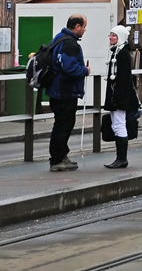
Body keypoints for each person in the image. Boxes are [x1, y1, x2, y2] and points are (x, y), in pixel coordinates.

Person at [47, 14, 90, 170]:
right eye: (84, 26)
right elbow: (69, 68)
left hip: (56, 90)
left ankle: (61, 156)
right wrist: (85, 70)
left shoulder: (58, 38)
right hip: (65, 92)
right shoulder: (71, 44)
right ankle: (57, 159)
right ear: (77, 27)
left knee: (61, 124)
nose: (85, 30)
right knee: (63, 126)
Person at [104, 25, 138, 169]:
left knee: (119, 125)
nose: (111, 38)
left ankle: (122, 158)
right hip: (117, 95)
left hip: (119, 97)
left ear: (121, 37)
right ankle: (120, 158)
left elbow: (123, 78)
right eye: (110, 35)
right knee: (116, 124)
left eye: (114, 36)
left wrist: (117, 98)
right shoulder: (117, 52)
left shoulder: (122, 54)